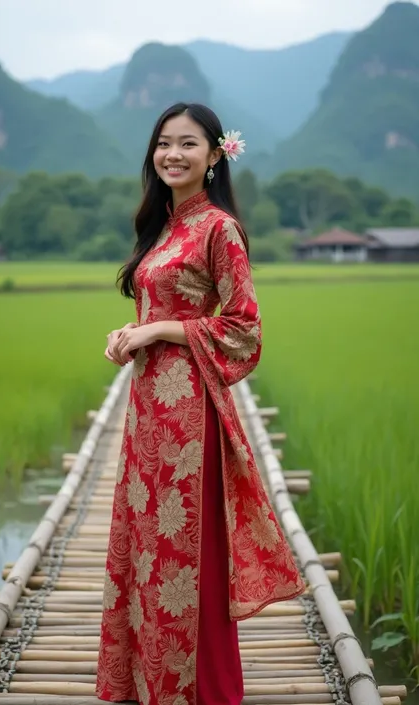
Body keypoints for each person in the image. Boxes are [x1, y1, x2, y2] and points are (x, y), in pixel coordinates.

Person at [96, 102, 305, 705]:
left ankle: (201, 689)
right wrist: (128, 333)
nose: (172, 155)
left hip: (191, 417)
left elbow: (245, 329)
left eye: (188, 144)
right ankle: (149, 683)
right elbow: (155, 309)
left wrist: (160, 332)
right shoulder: (162, 226)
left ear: (216, 155)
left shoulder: (219, 228)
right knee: (147, 546)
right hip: (148, 411)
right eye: (164, 143)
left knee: (187, 549)